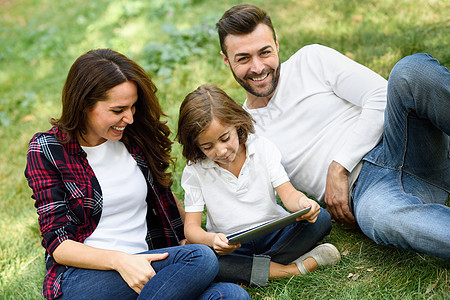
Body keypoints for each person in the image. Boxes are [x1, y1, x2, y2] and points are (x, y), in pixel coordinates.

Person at [215, 4, 450, 259]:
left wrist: (339, 165)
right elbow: (253, 200)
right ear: (226, 60)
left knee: (410, 72)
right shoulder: (245, 131)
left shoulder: (311, 60)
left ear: (277, 44)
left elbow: (380, 95)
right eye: (243, 58)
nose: (258, 67)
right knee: (378, 217)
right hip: (369, 191)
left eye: (265, 52)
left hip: (406, 140)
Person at [24, 49, 250, 300]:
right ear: (84, 104)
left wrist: (192, 236)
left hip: (149, 270)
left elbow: (162, 195)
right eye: (118, 109)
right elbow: (59, 245)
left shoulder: (134, 138)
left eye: (133, 107)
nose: (129, 118)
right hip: (86, 278)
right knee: (201, 259)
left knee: (230, 295)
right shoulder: (48, 149)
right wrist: (121, 261)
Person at [176, 84, 340, 287]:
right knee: (206, 258)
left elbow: (288, 195)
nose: (220, 151)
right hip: (232, 246)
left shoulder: (262, 148)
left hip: (275, 234)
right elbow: (191, 228)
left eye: (225, 138)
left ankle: (253, 269)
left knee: (321, 219)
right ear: (195, 145)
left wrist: (303, 204)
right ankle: (291, 269)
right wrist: (211, 241)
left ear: (237, 124)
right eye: (207, 146)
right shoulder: (195, 170)